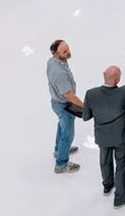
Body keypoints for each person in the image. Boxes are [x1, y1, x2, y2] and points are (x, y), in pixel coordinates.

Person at [83, 54, 125, 210]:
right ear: (117, 80)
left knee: (105, 160)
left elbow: (86, 116)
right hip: (122, 136)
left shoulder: (91, 94)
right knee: (122, 165)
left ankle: (107, 185)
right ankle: (120, 198)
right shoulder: (123, 92)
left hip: (103, 136)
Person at [47, 40, 84, 174]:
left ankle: (59, 150)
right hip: (63, 105)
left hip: (56, 102)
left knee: (61, 127)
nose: (68, 52)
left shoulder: (52, 61)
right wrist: (83, 106)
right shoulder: (60, 73)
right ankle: (61, 164)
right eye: (64, 51)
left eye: (67, 49)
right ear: (55, 53)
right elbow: (68, 95)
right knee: (67, 134)